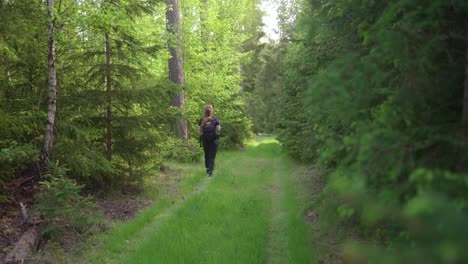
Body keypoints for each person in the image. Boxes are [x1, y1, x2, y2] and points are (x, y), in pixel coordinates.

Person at [198, 104, 221, 177]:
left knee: (207, 154)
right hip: (213, 139)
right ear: (212, 111)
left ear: (204, 111)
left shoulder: (202, 119)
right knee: (211, 155)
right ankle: (210, 170)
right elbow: (218, 129)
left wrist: (203, 124)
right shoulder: (215, 119)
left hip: (205, 139)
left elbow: (199, 131)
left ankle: (208, 169)